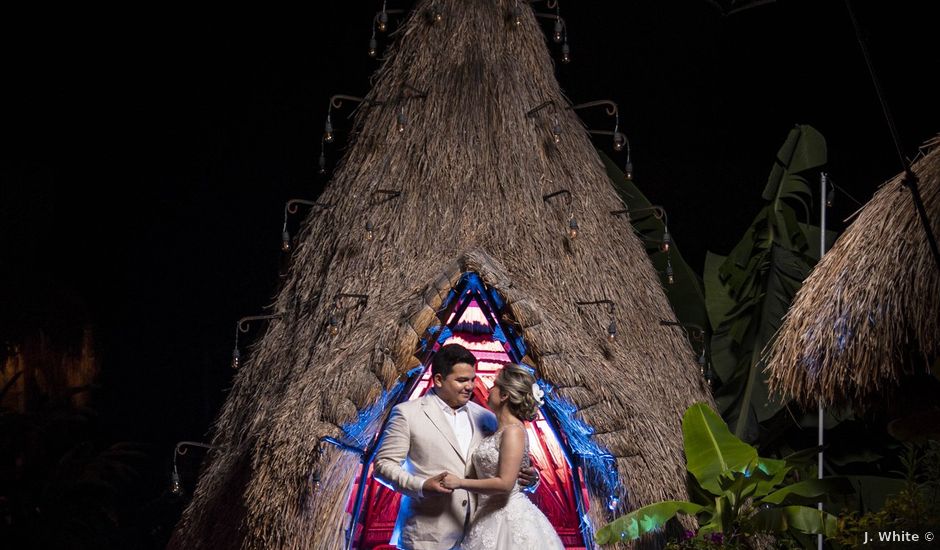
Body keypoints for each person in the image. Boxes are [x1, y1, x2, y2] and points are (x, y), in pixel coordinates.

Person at [373, 344, 538, 550]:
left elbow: (507, 466)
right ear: (439, 380)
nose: (469, 386)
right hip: (428, 536)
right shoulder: (407, 414)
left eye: (471, 379)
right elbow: (383, 466)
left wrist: (531, 479)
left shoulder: (486, 416)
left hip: (480, 533)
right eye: (461, 380)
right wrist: (422, 486)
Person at [440, 364, 564, 550]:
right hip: (484, 515)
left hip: (508, 518)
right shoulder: (497, 428)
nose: (489, 389)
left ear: (505, 395)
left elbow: (505, 484)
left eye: (495, 385)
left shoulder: (514, 431)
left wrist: (459, 482)